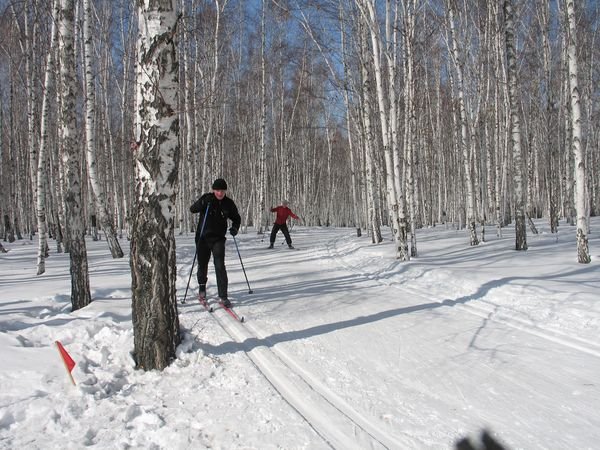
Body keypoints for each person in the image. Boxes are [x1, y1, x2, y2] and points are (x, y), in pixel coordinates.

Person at [190, 178, 241, 307]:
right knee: (202, 264)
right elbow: (192, 209)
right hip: (203, 238)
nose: (220, 193)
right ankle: (202, 288)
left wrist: (235, 228)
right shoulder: (207, 199)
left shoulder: (228, 203)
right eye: (218, 190)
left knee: (220, 265)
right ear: (214, 190)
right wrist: (202, 202)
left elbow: (236, 218)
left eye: (222, 191)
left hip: (218, 239)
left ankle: (223, 296)